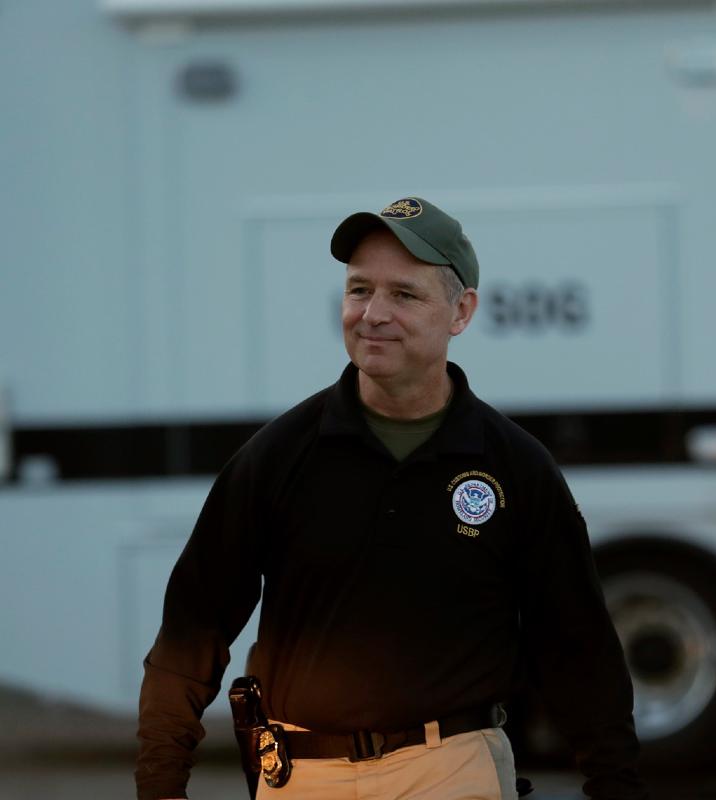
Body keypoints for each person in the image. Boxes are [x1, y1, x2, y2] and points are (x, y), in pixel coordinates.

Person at [135, 196, 647, 800]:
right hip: (301, 777)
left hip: (455, 771)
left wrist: (617, 786)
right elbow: (189, 637)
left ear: (461, 312)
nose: (372, 314)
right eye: (359, 290)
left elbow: (578, 649)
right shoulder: (274, 458)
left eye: (404, 294)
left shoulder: (516, 468)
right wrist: (161, 786)